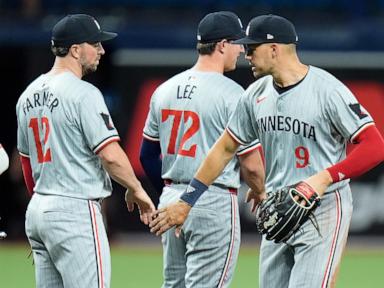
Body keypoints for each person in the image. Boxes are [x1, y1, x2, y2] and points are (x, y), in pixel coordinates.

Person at [149, 14, 384, 288]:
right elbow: (224, 148)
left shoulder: (327, 90)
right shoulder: (254, 94)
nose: (246, 54)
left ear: (275, 49)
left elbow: (375, 146)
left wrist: (323, 178)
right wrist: (187, 201)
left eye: (252, 47)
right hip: (277, 207)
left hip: (323, 207)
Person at [16, 14, 155, 288]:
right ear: (76, 50)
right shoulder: (83, 93)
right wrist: (136, 188)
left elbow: (26, 162)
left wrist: (41, 215)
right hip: (74, 208)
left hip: (39, 210)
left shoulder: (27, 95)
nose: (102, 50)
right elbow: (110, 155)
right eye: (96, 43)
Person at [141, 11, 265, 288]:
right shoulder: (233, 94)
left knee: (174, 284)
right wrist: (260, 191)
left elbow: (147, 155)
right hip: (213, 199)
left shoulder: (164, 89)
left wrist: (171, 196)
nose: (242, 50)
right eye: (238, 43)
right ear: (222, 45)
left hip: (172, 199)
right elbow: (252, 165)